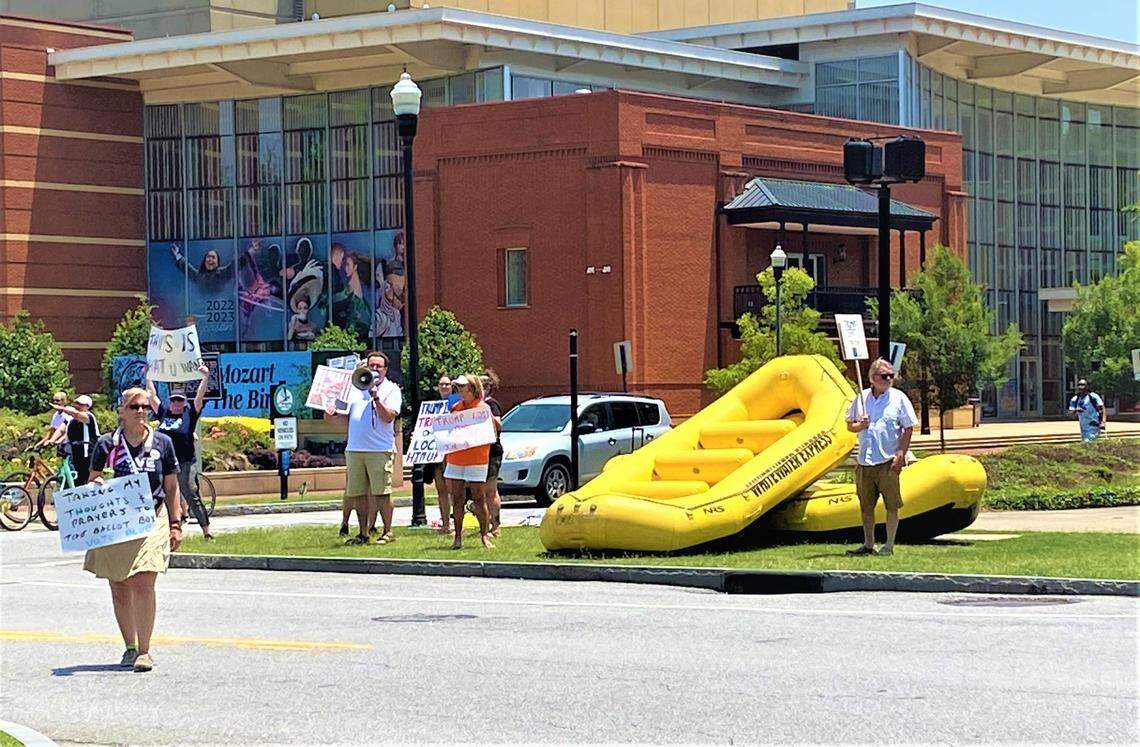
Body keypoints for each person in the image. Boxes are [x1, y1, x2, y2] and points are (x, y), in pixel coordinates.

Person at [84, 387, 182, 673]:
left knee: (143, 581)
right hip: (117, 523)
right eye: (134, 407)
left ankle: (145, 650)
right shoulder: (107, 444)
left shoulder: (162, 443)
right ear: (122, 411)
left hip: (152, 518)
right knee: (118, 585)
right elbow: (94, 477)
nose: (141, 412)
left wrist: (175, 523)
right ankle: (129, 646)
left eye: (145, 407)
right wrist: (98, 483)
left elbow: (172, 484)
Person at [324, 351, 401, 545]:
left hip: (379, 449)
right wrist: (330, 414)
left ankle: (388, 531)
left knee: (381, 492)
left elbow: (389, 416)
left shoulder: (391, 389)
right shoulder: (354, 389)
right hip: (355, 448)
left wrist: (376, 398)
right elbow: (343, 419)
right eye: (370, 365)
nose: (374, 369)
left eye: (378, 366)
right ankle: (363, 533)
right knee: (357, 493)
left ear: (385, 370)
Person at [845, 357, 916, 557]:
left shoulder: (898, 398)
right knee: (866, 506)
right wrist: (861, 425)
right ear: (872, 378)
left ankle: (889, 545)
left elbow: (908, 427)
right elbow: (849, 425)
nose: (889, 379)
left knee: (891, 505)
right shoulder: (861, 398)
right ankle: (869, 544)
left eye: (891, 376)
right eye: (884, 376)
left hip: (888, 461)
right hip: (865, 462)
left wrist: (901, 453)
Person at [145, 362, 213, 539]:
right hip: (166, 463)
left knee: (190, 492)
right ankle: (169, 530)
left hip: (185, 461)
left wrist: (205, 376)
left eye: (179, 400)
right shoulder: (165, 412)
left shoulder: (189, 413)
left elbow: (199, 396)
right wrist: (148, 376)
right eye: (173, 400)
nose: (176, 403)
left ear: (184, 403)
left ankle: (206, 531)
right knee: (162, 494)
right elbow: (152, 397)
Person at [445, 375, 495, 550]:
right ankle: (458, 537)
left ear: (473, 388)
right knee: (457, 498)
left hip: (477, 458)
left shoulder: (483, 409)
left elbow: (493, 431)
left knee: (479, 497)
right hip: (456, 458)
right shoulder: (455, 409)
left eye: (463, 386)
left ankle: (484, 535)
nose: (459, 390)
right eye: (458, 386)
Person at [425, 375, 454, 534]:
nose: (444, 387)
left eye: (447, 384)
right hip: (436, 454)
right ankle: (445, 524)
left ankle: (456, 523)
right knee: (441, 489)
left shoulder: (457, 403)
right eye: (441, 384)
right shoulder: (432, 406)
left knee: (454, 490)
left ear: (452, 386)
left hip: (452, 453)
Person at [52, 394, 100, 486]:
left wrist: (62, 408)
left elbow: (76, 414)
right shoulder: (70, 419)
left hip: (88, 452)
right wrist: (52, 440)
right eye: (76, 403)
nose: (77, 406)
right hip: (75, 452)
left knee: (86, 478)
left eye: (81, 404)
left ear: (87, 406)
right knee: (76, 477)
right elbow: (61, 429)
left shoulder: (88, 416)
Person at [481, 370, 504, 537]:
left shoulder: (491, 404)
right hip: (478, 452)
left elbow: (499, 425)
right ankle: (486, 524)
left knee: (490, 490)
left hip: (492, 452)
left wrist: (487, 412)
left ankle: (495, 526)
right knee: (480, 491)